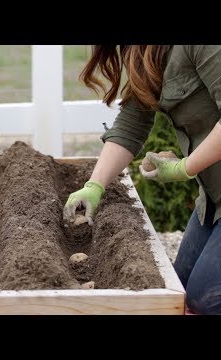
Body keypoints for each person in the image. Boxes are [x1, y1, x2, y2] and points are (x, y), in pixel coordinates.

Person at [63, 45, 221, 315]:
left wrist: (184, 168)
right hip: (213, 198)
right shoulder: (145, 50)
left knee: (206, 301)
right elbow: (133, 122)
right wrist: (94, 186)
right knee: (177, 288)